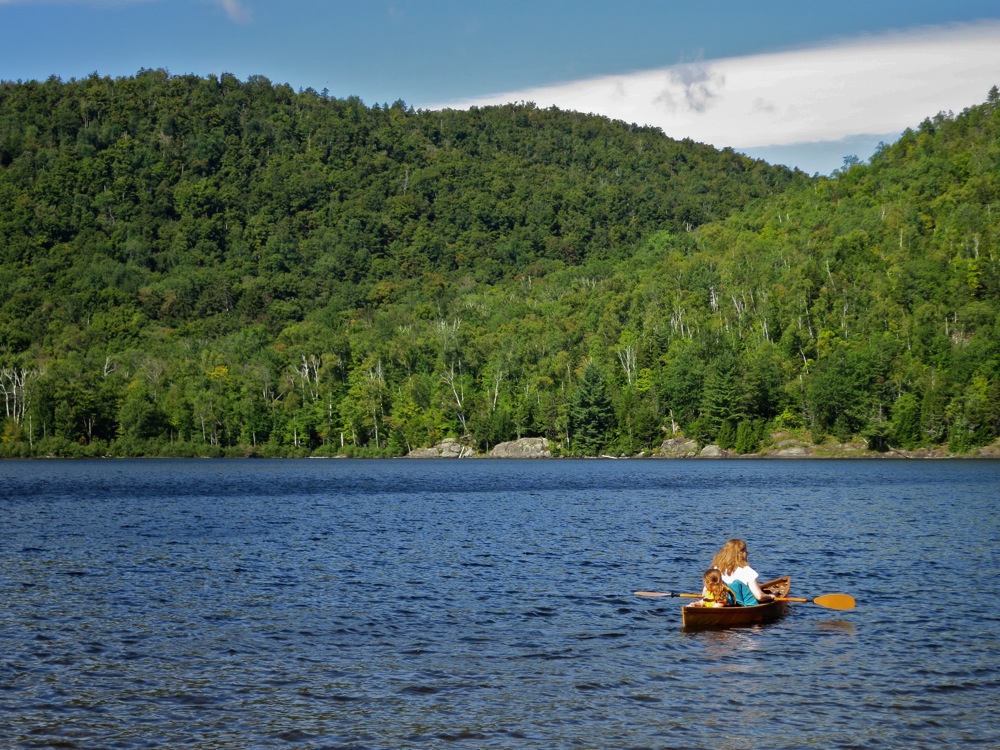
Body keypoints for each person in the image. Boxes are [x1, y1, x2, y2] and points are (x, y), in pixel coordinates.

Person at [710, 538, 774, 606]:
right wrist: (770, 596)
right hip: (738, 605)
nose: (747, 553)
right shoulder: (747, 571)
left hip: (719, 601)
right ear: (741, 554)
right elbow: (759, 596)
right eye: (745, 551)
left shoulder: (716, 568)